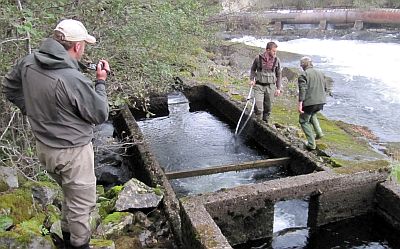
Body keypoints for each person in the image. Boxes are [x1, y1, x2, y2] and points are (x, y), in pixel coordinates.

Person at [3, 19, 109, 249]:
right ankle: (79, 246)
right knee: (83, 205)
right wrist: (100, 82)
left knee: (70, 195)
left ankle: (65, 241)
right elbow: (100, 113)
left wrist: (31, 110)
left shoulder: (29, 62)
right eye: (84, 45)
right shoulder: (72, 79)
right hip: (73, 153)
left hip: (45, 148)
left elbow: (10, 88)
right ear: (77, 46)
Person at [297, 56, 327, 150]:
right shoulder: (321, 73)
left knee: (303, 120)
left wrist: (300, 104)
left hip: (310, 102)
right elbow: (326, 88)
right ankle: (319, 133)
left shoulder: (303, 75)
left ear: (302, 65)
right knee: (312, 114)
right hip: (321, 101)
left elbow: (303, 90)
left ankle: (311, 144)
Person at [249, 41, 282, 123]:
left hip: (270, 87)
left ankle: (265, 122)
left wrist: (278, 88)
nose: (275, 53)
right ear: (267, 50)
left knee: (268, 108)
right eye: (274, 51)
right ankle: (257, 121)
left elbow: (279, 74)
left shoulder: (277, 60)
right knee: (259, 107)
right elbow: (253, 69)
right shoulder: (258, 58)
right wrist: (251, 79)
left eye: (276, 51)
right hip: (259, 86)